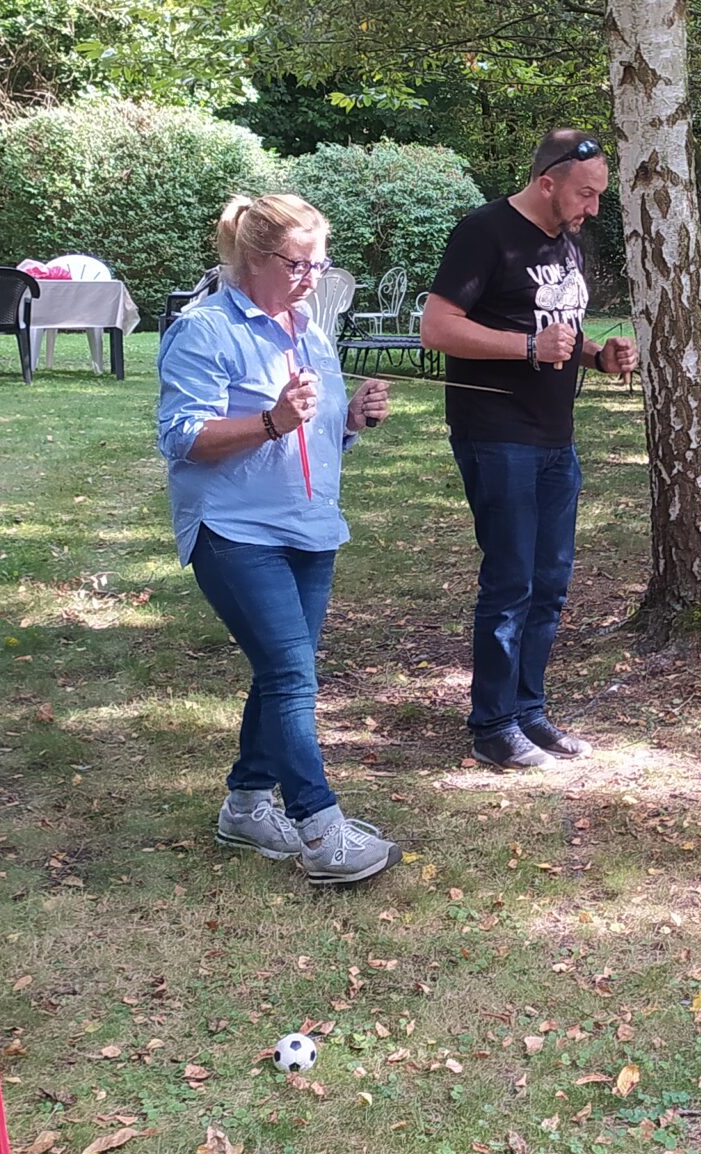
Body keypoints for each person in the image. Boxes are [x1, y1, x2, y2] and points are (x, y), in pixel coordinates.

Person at [156, 193, 402, 884]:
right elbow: (180, 439)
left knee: (281, 670)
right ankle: (320, 830)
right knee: (293, 674)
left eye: (321, 265)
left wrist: (350, 420)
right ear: (256, 257)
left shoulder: (308, 332)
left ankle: (244, 805)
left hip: (309, 527)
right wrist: (267, 421)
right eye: (300, 263)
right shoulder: (203, 331)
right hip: (234, 530)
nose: (312, 279)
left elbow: (314, 436)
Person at [420, 129, 639, 770]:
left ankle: (528, 711)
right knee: (510, 581)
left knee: (550, 583)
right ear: (547, 182)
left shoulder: (570, 242)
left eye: (599, 196)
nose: (592, 209)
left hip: (554, 436)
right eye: (584, 195)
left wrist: (600, 356)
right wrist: (524, 350)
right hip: (497, 434)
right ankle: (491, 724)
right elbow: (437, 327)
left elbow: (557, 328)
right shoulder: (484, 232)